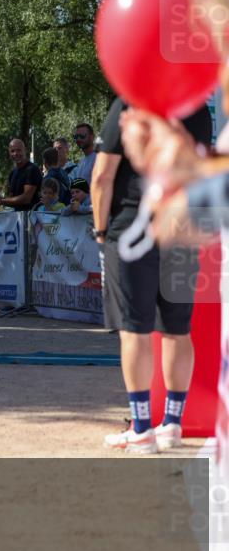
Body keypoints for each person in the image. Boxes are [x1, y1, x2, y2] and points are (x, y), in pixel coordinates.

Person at [93, 97, 211, 454]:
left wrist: (100, 231)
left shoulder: (129, 104)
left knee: (135, 329)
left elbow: (102, 175)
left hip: (133, 228)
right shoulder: (196, 107)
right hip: (182, 227)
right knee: (177, 329)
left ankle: (142, 427)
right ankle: (172, 423)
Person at [0, 138, 42, 211]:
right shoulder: (13, 173)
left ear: (25, 150)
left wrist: (1, 200)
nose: (15, 153)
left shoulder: (32, 169)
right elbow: (11, 199)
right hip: (16, 217)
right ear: (9, 153)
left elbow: (26, 198)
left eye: (18, 150)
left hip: (31, 218)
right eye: (12, 151)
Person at [72, 122, 98, 187]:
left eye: (82, 136)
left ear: (92, 137)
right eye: (76, 137)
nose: (78, 139)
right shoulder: (82, 161)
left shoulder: (98, 158)